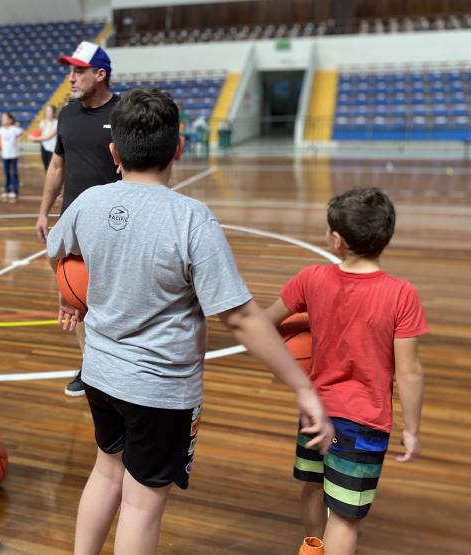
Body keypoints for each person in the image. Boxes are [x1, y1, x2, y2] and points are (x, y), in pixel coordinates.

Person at [47, 88, 334, 555]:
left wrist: (72, 299)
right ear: (178, 149)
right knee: (141, 506)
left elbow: (57, 253)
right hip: (160, 390)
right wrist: (303, 388)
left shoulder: (88, 202)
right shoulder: (191, 219)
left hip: (99, 373)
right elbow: (239, 318)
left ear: (114, 152)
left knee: (105, 470)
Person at [265, 187, 427, 555]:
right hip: (365, 421)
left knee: (312, 486)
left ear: (336, 241)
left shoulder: (311, 278)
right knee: (344, 517)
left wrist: (294, 350)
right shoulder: (402, 295)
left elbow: (264, 323)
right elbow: (410, 373)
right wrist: (413, 430)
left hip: (315, 411)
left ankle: (311, 548)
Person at [36, 41, 121, 397]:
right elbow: (58, 164)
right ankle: (89, 365)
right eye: (69, 71)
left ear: (100, 75)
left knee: (116, 298)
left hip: (117, 223)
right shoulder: (68, 115)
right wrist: (43, 210)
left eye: (78, 71)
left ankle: (120, 361)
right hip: (74, 223)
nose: (71, 78)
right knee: (77, 294)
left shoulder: (124, 112)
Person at [0, 112, 23, 199]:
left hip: (13, 155)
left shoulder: (14, 129)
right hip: (5, 155)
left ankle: (15, 190)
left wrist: (17, 140)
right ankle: (7, 190)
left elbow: (22, 133)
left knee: (14, 173)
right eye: (2, 118)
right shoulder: (0, 129)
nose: (2, 119)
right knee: (6, 173)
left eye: (4, 118)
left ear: (10, 120)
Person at [30, 104, 58, 171]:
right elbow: (41, 136)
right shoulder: (42, 123)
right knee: (46, 166)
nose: (47, 112)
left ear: (54, 112)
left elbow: (48, 137)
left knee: (52, 168)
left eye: (49, 110)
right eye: (46, 110)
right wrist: (36, 139)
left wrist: (34, 138)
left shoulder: (57, 123)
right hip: (44, 147)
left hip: (53, 148)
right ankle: (48, 181)